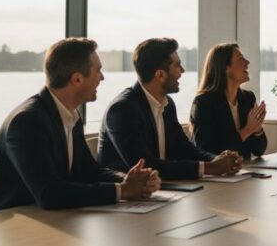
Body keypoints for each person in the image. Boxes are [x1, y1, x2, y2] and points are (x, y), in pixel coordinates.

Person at [0, 38, 160, 213]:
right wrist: (123, 191)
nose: (102, 78)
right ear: (77, 79)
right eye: (98, 71)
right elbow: (50, 194)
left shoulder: (70, 114)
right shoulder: (27, 121)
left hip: (43, 219)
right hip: (1, 227)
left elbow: (89, 171)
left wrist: (132, 181)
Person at [97, 38, 242, 180]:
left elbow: (185, 149)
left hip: (161, 190)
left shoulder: (167, 104)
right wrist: (210, 167)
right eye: (177, 66)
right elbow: (145, 165)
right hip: (124, 200)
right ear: (160, 74)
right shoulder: (123, 109)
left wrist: (220, 160)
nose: (183, 70)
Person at [190, 43, 268, 158]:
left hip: (244, 171)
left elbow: (259, 151)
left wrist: (257, 129)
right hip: (215, 175)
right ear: (225, 67)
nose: (247, 63)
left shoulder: (248, 98)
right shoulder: (203, 103)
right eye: (241, 59)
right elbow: (207, 151)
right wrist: (247, 130)